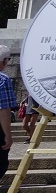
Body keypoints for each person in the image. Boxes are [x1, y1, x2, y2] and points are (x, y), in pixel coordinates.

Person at [0, 46, 14, 178]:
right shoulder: (3, 80)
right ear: (4, 61)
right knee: (1, 163)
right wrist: (7, 135)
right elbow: (4, 109)